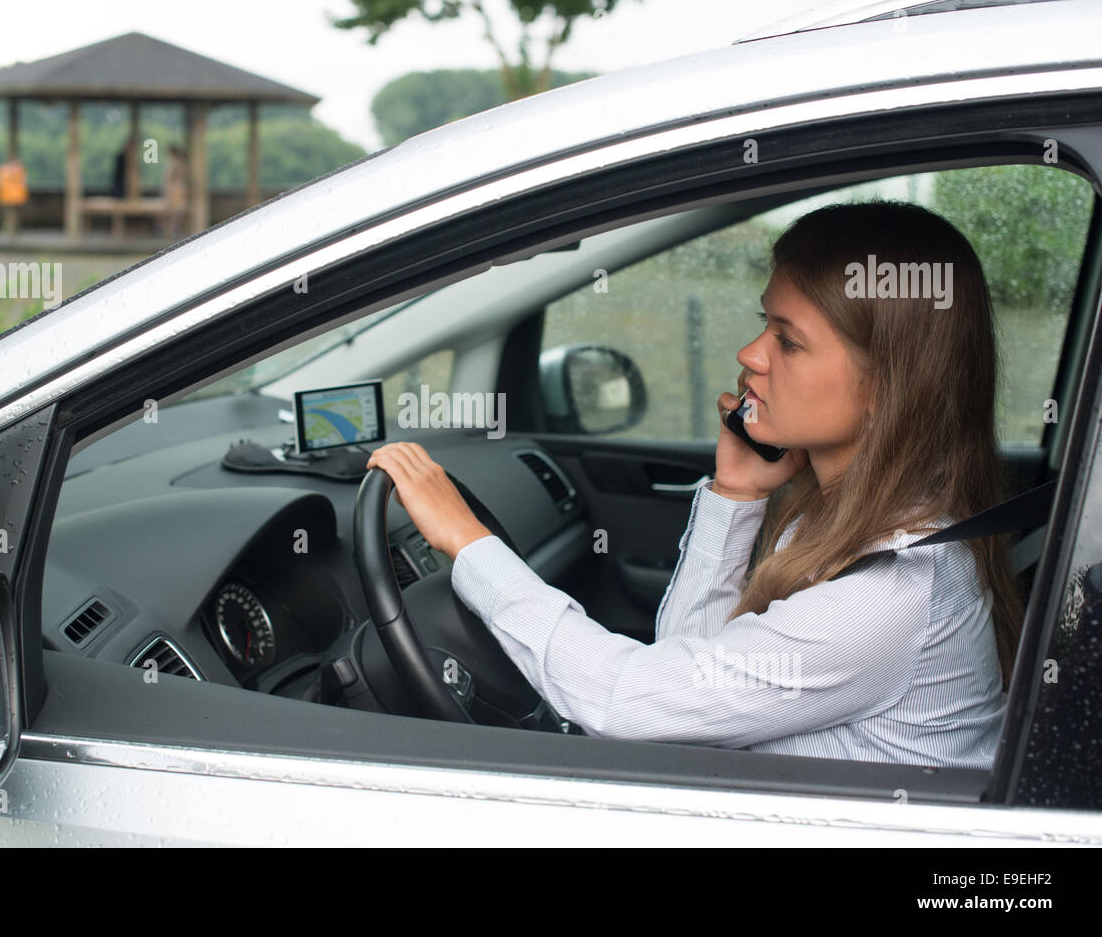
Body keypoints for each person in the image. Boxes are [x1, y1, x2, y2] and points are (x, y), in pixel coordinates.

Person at [366, 200, 1021, 769]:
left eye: (787, 341)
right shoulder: (838, 517)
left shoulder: (890, 588)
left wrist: (468, 542)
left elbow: (623, 700)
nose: (750, 354)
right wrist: (736, 494)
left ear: (885, 387)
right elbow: (690, 668)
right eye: (766, 323)